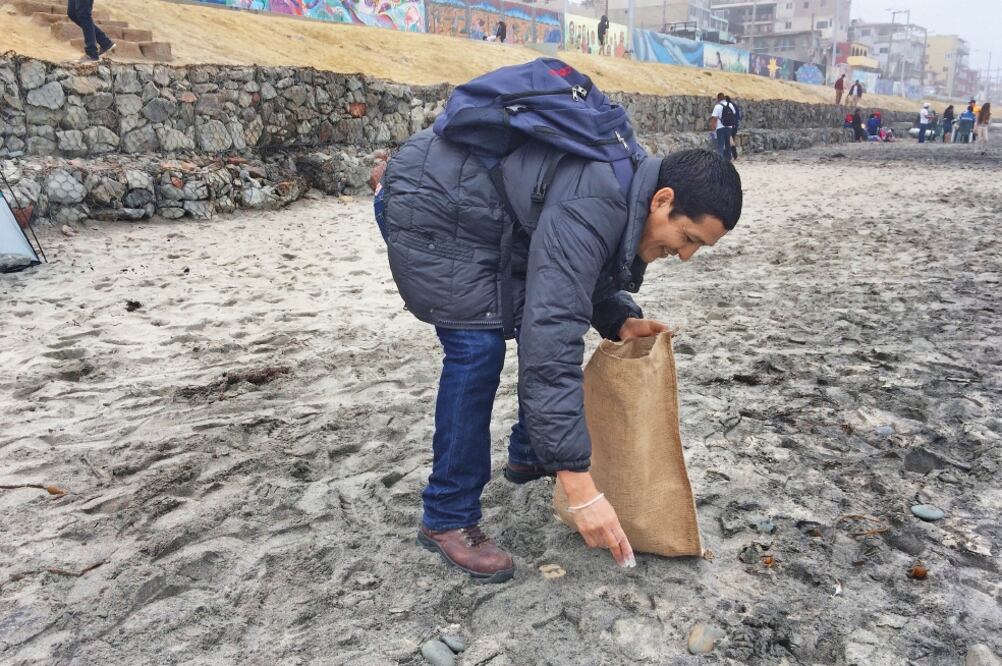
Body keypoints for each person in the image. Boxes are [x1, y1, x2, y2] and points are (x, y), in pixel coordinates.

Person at [378, 86, 743, 584]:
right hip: (430, 202)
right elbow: (553, 330)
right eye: (688, 239)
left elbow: (573, 269)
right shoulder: (598, 198)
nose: (685, 256)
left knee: (536, 316)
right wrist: (579, 485)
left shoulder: (625, 186)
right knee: (477, 349)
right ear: (663, 200)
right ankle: (446, 516)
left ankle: (528, 456)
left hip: (484, 212)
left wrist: (616, 318)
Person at [710, 92, 737, 162]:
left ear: (718, 98)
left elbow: (714, 118)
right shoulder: (730, 104)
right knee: (728, 144)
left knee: (720, 145)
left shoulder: (717, 106)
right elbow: (734, 113)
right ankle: (728, 160)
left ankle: (720, 161)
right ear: (724, 98)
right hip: (729, 127)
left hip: (720, 128)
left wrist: (713, 128)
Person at [726, 96, 741, 160]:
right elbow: (738, 117)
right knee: (731, 140)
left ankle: (730, 156)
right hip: (734, 126)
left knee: (729, 141)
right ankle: (734, 156)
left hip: (729, 126)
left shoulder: (727, 106)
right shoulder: (734, 105)